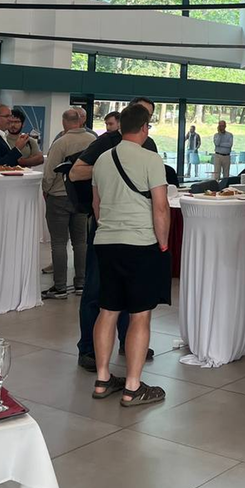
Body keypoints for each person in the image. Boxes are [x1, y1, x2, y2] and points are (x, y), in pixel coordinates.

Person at [69, 97, 159, 372]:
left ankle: (127, 341)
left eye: (148, 116)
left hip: (137, 231)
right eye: (141, 114)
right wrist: (111, 169)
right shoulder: (106, 142)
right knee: (97, 291)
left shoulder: (150, 147)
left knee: (131, 293)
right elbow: (75, 173)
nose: (144, 122)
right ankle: (88, 348)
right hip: (106, 228)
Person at [91, 103, 171, 407]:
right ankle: (133, 386)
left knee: (107, 310)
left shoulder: (102, 159)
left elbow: (97, 205)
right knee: (140, 314)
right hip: (140, 243)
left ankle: (102, 379)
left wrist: (110, 228)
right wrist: (163, 243)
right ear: (145, 128)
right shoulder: (151, 159)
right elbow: (160, 207)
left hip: (106, 242)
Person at [40, 108, 96, 300]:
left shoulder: (61, 142)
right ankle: (81, 283)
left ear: (64, 122)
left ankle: (60, 287)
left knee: (58, 242)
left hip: (59, 196)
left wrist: (46, 190)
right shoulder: (92, 140)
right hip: (82, 197)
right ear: (80, 121)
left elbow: (50, 172)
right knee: (81, 242)